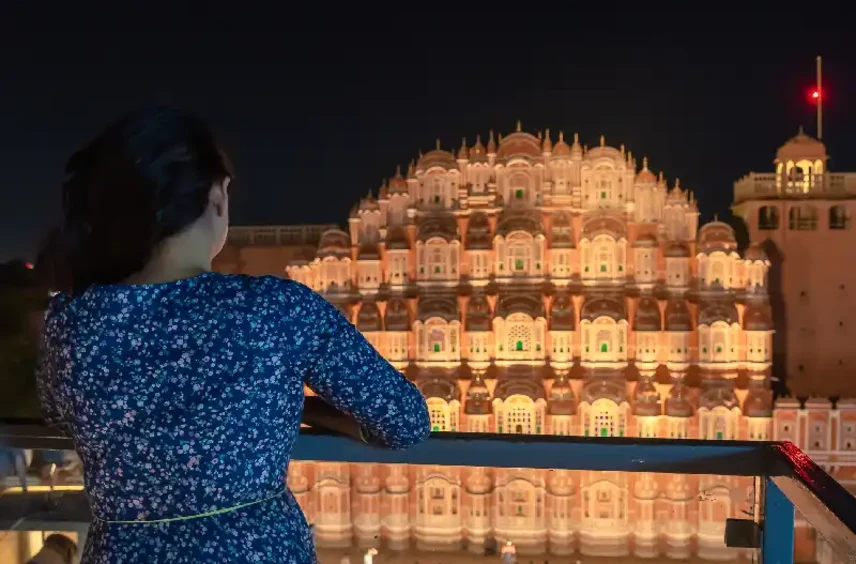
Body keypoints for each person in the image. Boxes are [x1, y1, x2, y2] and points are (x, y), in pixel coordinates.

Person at [36, 107, 431, 564]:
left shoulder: (69, 322)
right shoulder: (274, 309)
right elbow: (405, 421)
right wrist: (300, 408)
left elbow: (63, 416)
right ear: (218, 197)